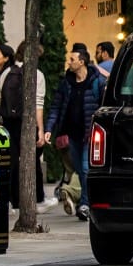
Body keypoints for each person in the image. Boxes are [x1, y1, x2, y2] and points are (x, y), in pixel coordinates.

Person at [0, 44, 45, 212]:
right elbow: (38, 104)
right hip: (28, 123)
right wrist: (40, 130)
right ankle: (35, 199)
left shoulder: (7, 73)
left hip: (9, 123)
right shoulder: (37, 75)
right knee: (31, 160)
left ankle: (12, 200)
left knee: (12, 161)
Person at [49, 46, 95, 221]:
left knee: (84, 168)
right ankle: (83, 200)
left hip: (88, 135)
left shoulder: (95, 81)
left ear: (81, 62)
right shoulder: (66, 83)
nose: (69, 62)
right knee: (78, 169)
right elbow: (56, 107)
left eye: (72, 59)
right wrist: (49, 129)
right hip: (72, 135)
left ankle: (85, 203)